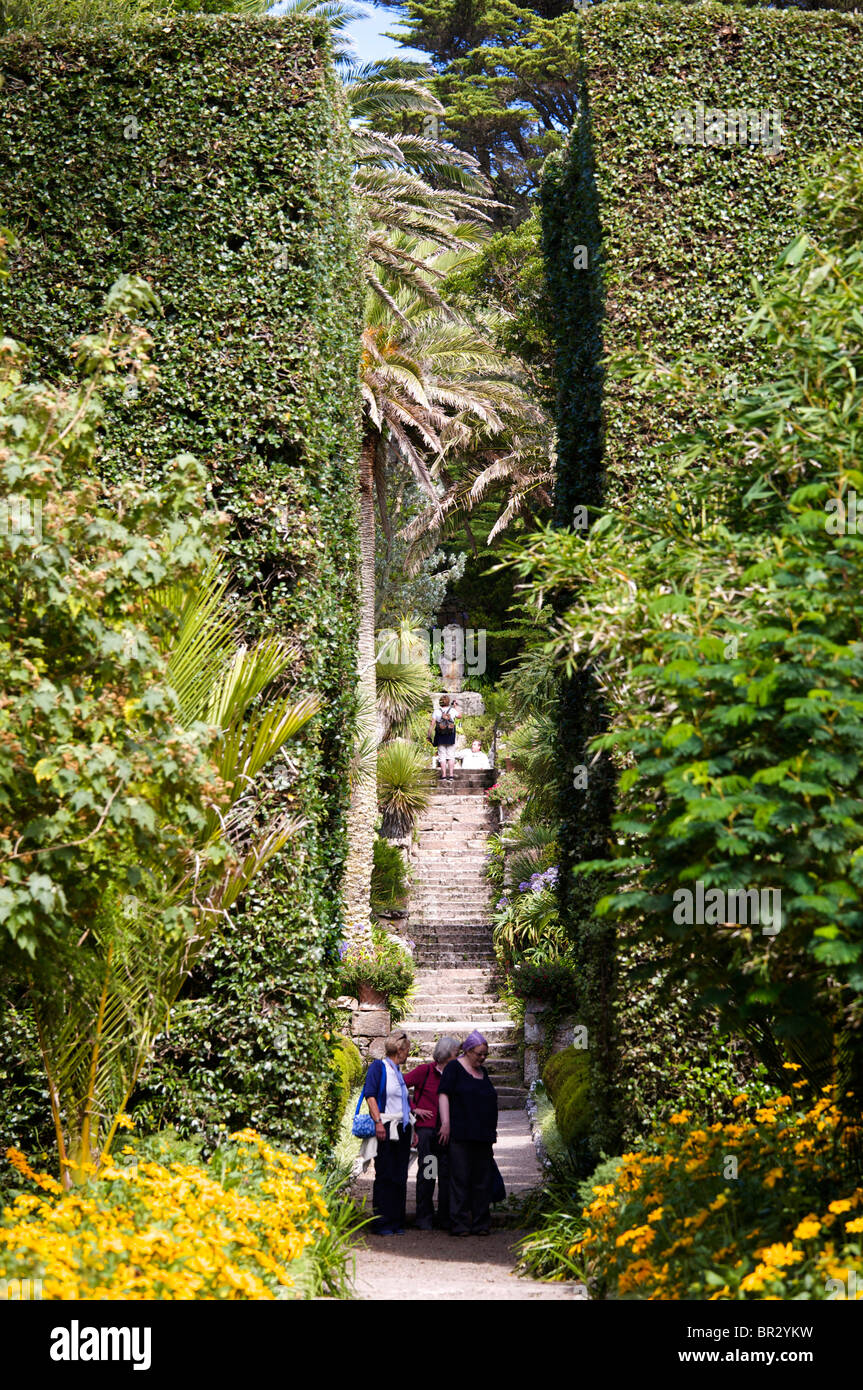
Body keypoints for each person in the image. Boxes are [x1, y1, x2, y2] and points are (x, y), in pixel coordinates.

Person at [437, 1030, 498, 1237]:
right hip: (461, 1133)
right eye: (479, 1054)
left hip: (483, 1134)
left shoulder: (484, 1072)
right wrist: (445, 1123)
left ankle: (481, 1222)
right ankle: (459, 1223)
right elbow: (443, 1094)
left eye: (485, 1055)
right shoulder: (454, 1068)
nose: (482, 1058)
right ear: (468, 1051)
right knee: (460, 1178)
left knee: (482, 1179)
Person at [361, 1030, 415, 1235]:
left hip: (402, 1128)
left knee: (400, 1175)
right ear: (400, 1050)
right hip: (385, 1127)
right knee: (385, 1175)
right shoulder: (379, 1067)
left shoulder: (397, 1070)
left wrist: (413, 1128)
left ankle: (396, 1221)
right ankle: (382, 1222)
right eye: (407, 1049)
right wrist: (378, 1123)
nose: (408, 1053)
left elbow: (403, 1101)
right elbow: (371, 1095)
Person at [403, 1036, 460, 1231]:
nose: (459, 1056)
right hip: (427, 1133)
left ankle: (445, 1217)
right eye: (456, 1053)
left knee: (446, 1175)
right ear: (446, 1055)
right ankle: (424, 1217)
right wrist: (413, 1108)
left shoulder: (456, 1074)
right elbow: (400, 1085)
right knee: (428, 1173)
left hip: (447, 1133)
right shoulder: (425, 1071)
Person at [429, 694, 461, 780]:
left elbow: (432, 724)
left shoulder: (436, 711)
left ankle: (443, 775)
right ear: (448, 702)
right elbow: (460, 716)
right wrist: (455, 706)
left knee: (442, 756)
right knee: (451, 755)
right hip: (450, 735)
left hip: (440, 735)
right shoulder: (453, 710)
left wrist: (429, 735)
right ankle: (451, 775)